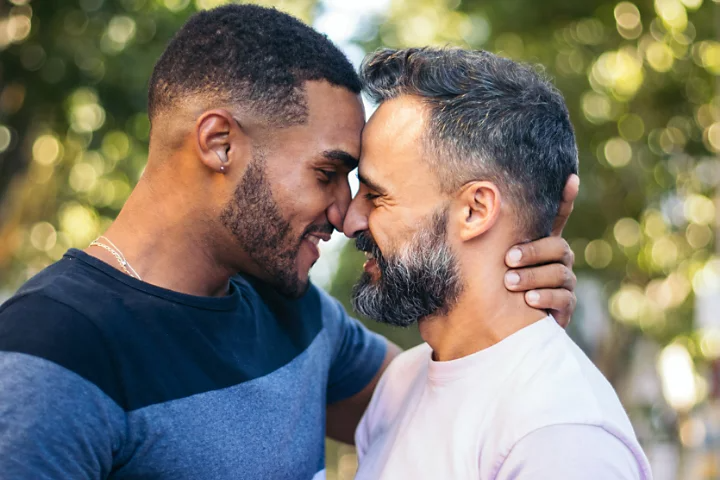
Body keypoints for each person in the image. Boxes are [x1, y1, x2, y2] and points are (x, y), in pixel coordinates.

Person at [0, 6, 578, 480]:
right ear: (220, 143)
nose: (344, 213)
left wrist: (510, 280)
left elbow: (447, 403)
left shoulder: (295, 312)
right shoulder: (50, 353)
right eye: (327, 173)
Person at [345, 47, 652, 479]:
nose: (348, 219)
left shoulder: (560, 438)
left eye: (376, 196)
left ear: (475, 210)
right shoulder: (399, 386)